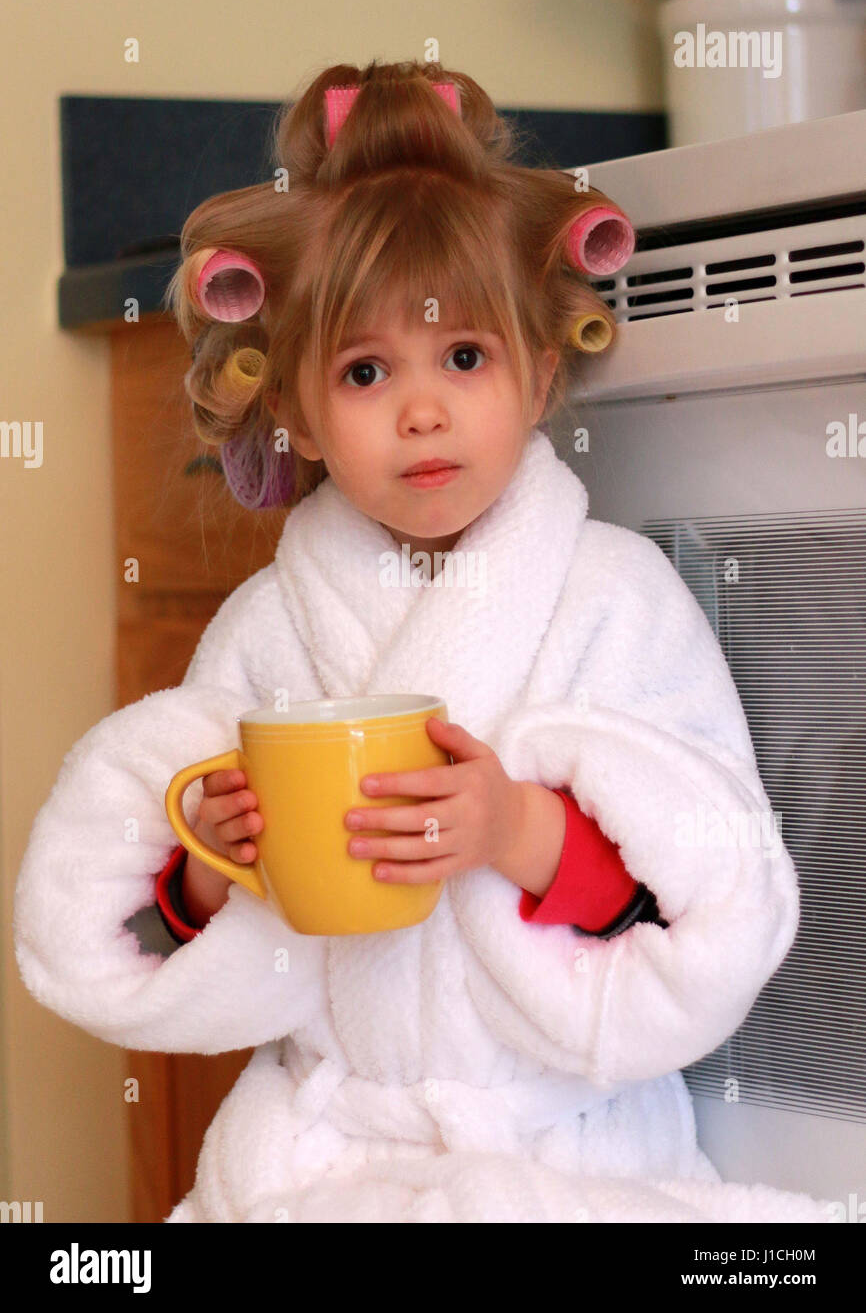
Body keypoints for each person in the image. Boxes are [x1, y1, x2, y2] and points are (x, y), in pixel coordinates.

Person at [13, 60, 830, 1224]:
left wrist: (518, 828)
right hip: (325, 1154)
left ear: (540, 372)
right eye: (362, 369)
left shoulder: (616, 601)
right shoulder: (266, 627)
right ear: (293, 406)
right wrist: (211, 858)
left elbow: (708, 902)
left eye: (462, 357)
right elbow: (183, 935)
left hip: (566, 1153)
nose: (420, 409)